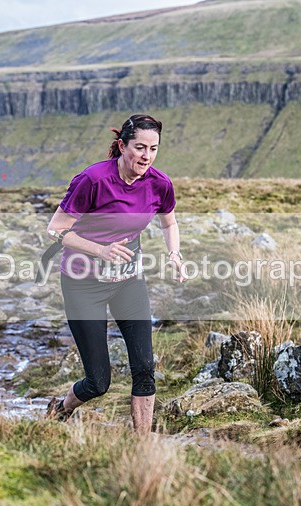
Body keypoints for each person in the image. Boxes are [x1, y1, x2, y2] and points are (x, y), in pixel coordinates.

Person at [44, 114, 185, 433]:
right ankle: (61, 408)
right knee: (98, 382)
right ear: (122, 146)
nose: (146, 156)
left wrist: (174, 253)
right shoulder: (92, 180)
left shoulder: (159, 183)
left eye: (153, 148)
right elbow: (55, 230)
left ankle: (142, 446)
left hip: (128, 282)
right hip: (83, 284)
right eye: (139, 147)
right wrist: (100, 250)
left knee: (145, 368)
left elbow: (169, 222)